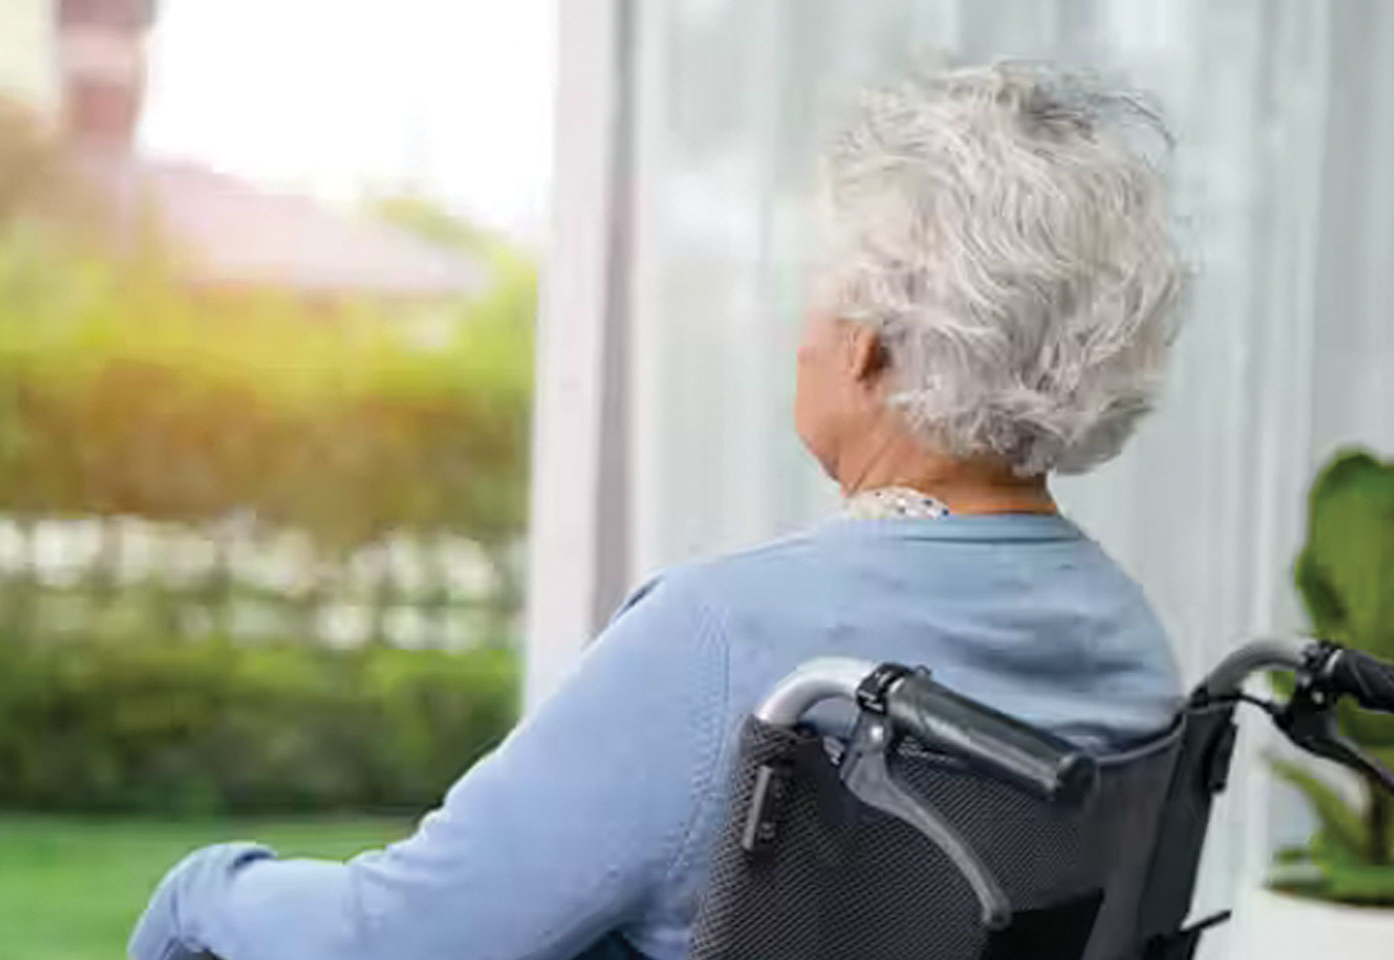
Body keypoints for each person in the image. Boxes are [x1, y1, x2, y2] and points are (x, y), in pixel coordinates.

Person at [130, 60, 1187, 960]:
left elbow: (410, 935)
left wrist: (202, 888)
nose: (800, 333)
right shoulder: (1132, 646)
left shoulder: (731, 640)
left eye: (821, 293)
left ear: (873, 343)